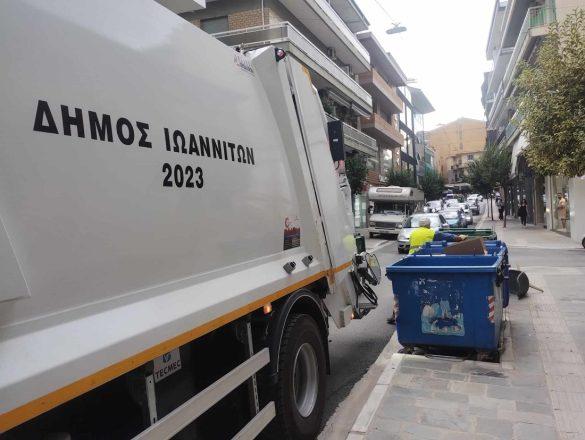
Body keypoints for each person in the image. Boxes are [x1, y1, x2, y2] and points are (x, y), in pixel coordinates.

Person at [387, 217, 465, 325]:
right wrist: (459, 238)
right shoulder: (430, 232)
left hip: (410, 261)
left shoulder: (414, 233)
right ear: (428, 225)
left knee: (402, 290)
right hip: (423, 261)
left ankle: (395, 315)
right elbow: (447, 237)